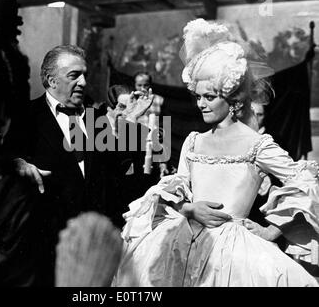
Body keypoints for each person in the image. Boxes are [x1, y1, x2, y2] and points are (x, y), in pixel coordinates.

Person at [113, 19, 319, 287]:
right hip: (181, 242)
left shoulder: (257, 144)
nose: (201, 104)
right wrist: (188, 208)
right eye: (198, 97)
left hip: (235, 255)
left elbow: (306, 181)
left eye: (209, 97)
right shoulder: (194, 141)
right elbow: (173, 191)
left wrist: (271, 231)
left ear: (232, 99)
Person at [0, 45, 154, 285]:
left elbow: (121, 171)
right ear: (51, 80)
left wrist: (131, 122)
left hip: (95, 248)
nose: (83, 82)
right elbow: (0, 160)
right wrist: (17, 163)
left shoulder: (95, 119)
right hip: (46, 250)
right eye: (74, 75)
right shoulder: (26, 116)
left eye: (85, 75)